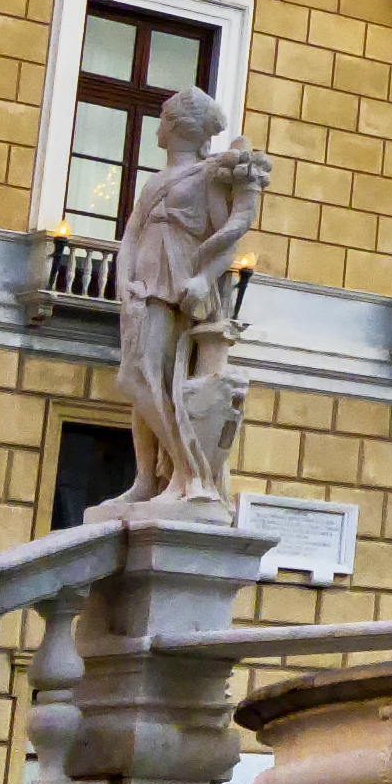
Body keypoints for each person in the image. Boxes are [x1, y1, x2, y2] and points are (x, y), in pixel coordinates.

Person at [112, 88, 268, 511]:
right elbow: (130, 235)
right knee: (145, 379)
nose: (157, 124)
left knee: (142, 377)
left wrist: (204, 277)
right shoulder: (155, 181)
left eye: (163, 116)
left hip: (176, 282)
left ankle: (188, 470)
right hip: (144, 284)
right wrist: (123, 279)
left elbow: (228, 236)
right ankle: (147, 478)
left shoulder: (204, 176)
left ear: (180, 126)